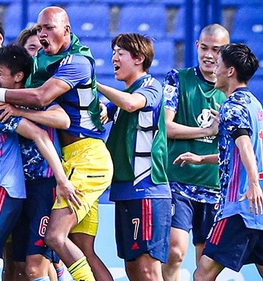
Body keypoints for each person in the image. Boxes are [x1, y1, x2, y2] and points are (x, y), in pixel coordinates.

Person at [0, 6, 113, 281]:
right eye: (39, 29)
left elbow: (41, 98)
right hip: (69, 158)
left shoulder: (77, 61)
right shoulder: (43, 62)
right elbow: (15, 76)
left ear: (67, 30)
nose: (43, 34)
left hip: (85, 157)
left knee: (55, 237)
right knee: (83, 248)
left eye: (49, 28)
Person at [174, 43, 263, 280]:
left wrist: (253, 184)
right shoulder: (255, 105)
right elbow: (244, 151)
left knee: (202, 274)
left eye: (220, 63)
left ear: (230, 71)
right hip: (258, 209)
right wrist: (202, 158)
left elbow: (245, 146)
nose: (215, 69)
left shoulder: (231, 105)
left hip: (239, 207)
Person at [0, 44, 69, 281]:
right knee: (21, 266)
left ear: (19, 76)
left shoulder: (37, 96)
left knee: (36, 267)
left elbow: (62, 119)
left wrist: (20, 112)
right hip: (18, 190)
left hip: (45, 187)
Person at [96, 33, 171, 280]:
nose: (113, 58)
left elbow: (131, 104)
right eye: (113, 52)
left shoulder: (151, 87)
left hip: (147, 190)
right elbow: (103, 113)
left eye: (120, 53)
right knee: (133, 269)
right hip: (124, 190)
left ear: (139, 58)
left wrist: (95, 84)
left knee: (148, 270)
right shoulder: (123, 95)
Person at [161, 24, 230, 281]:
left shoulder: (232, 92)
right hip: (179, 182)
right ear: (196, 47)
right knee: (174, 251)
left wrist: (220, 129)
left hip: (215, 187)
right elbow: (166, 126)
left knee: (206, 264)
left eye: (217, 50)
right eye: (204, 48)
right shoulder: (177, 79)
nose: (209, 55)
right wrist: (207, 130)